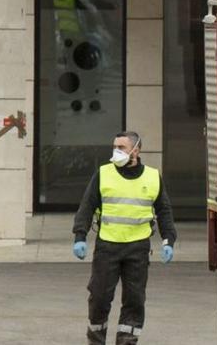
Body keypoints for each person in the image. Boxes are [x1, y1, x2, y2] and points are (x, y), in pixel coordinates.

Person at [73, 132, 177, 345]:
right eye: (114, 146)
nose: (116, 151)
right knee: (99, 297)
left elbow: (164, 210)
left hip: (137, 249)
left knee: (134, 300)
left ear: (135, 150)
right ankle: (96, 340)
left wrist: (169, 240)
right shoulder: (103, 174)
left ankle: (127, 341)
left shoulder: (152, 177)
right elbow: (87, 206)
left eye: (121, 147)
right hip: (107, 246)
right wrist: (79, 236)